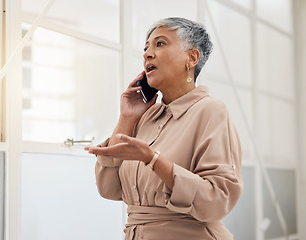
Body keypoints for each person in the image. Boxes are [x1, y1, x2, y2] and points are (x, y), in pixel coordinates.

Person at [85, 17, 242, 240]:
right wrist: (127, 117)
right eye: (146, 47)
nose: (147, 54)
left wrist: (153, 160)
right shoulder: (145, 118)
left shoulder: (211, 111)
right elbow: (109, 189)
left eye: (159, 44)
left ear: (192, 57)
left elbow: (217, 201)